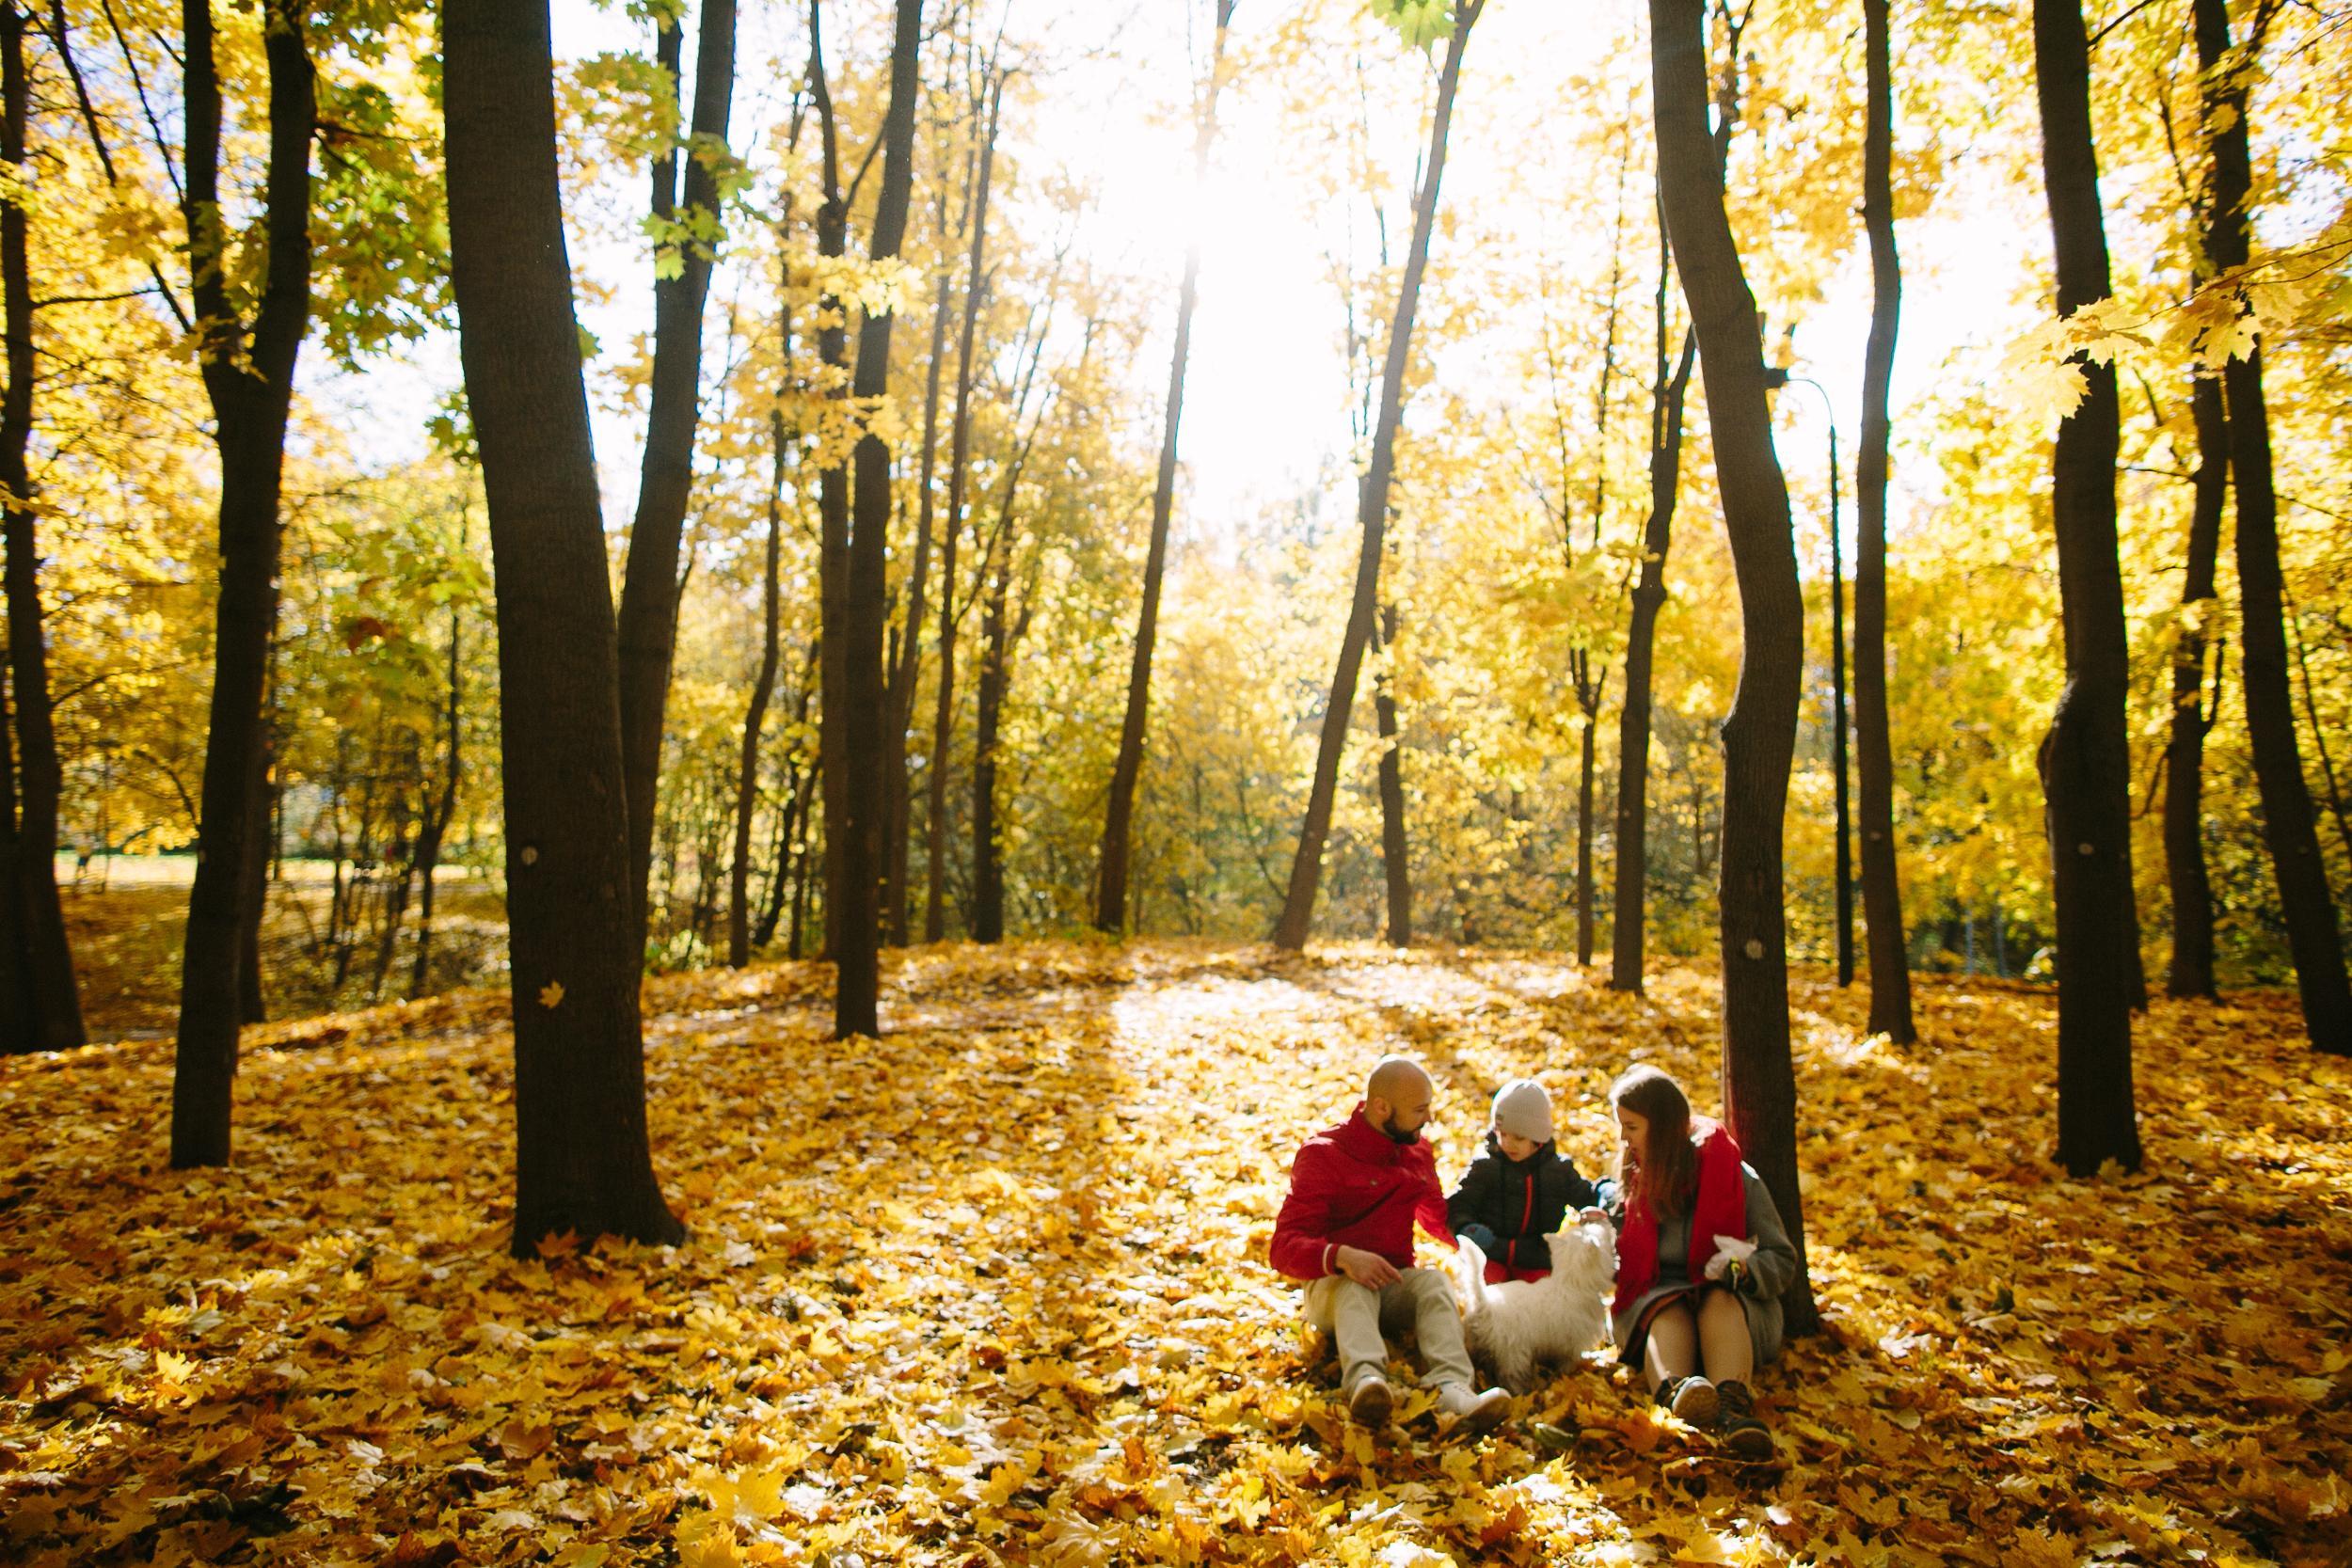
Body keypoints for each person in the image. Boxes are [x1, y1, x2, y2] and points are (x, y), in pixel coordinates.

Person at [1269, 1055, 1515, 1433]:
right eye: (1419, 1109)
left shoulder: (1416, 1150)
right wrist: (1342, 1257)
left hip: (1392, 1282)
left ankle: (1454, 1388)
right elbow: (1283, 1247)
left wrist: (1495, 1259)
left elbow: (1436, 1218)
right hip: (1333, 1290)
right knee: (1354, 1287)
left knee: (1434, 1282)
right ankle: (1366, 1385)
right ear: (1382, 1107)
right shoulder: (1323, 1154)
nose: (1429, 1117)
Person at [1595, 1064, 1796, 1458]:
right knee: (1667, 1309)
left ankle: (1733, 1410)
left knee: (1716, 1302)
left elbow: (1782, 1258)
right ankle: (1679, 1398)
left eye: (1632, 1127)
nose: (1623, 1138)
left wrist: (1743, 1270)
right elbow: (1618, 1252)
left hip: (1731, 1298)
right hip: (1658, 1299)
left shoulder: (1732, 1174)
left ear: (1662, 1126)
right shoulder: (1632, 1176)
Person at [1446, 1078, 1599, 1284]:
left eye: (1519, 1138)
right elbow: (1460, 1204)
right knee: (1490, 1285)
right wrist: (1466, 1227)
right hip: (1491, 1251)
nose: (1508, 1143)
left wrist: (1602, 1195)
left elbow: (1586, 1195)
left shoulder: (1558, 1171)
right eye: (1502, 1134)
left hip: (1535, 1257)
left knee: (1545, 1289)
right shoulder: (1486, 1166)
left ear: (1539, 1139)